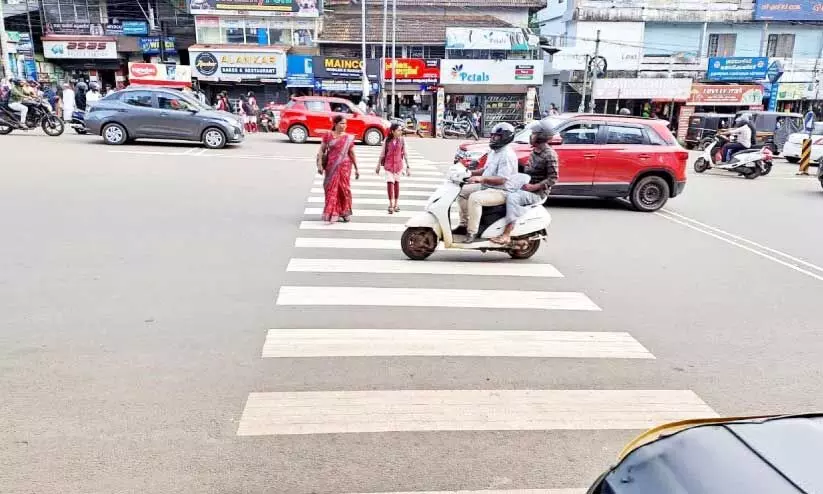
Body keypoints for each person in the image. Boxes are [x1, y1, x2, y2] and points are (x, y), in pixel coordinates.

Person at [492, 121, 559, 246]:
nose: (531, 136)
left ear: (541, 136)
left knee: (513, 197)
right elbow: (528, 170)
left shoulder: (550, 155)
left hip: (537, 193)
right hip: (526, 186)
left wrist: (535, 187)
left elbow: (553, 178)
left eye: (534, 133)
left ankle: (506, 234)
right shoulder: (535, 151)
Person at [455, 122, 519, 243]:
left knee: (475, 198)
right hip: (487, 187)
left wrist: (481, 179)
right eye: (492, 136)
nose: (493, 138)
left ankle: (472, 232)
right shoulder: (494, 152)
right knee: (462, 192)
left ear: (505, 137)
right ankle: (464, 224)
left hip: (501, 191)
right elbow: (486, 170)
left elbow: (503, 179)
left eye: (496, 136)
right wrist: (469, 173)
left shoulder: (507, 155)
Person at [316, 114, 360, 224]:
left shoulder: (348, 138)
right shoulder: (328, 135)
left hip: (345, 167)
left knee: (344, 190)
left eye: (345, 123)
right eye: (341, 123)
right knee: (331, 190)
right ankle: (332, 213)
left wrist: (356, 168)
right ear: (335, 124)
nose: (344, 126)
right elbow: (321, 150)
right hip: (331, 167)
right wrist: (320, 164)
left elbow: (352, 153)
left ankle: (345, 212)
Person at [376, 122, 411, 214]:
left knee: (396, 184)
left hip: (398, 166)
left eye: (400, 130)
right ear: (392, 131)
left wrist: (408, 166)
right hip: (388, 166)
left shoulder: (402, 140)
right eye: (398, 130)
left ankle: (396, 204)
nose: (400, 132)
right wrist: (378, 165)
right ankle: (391, 204)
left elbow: (405, 154)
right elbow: (382, 153)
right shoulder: (387, 140)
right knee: (390, 183)